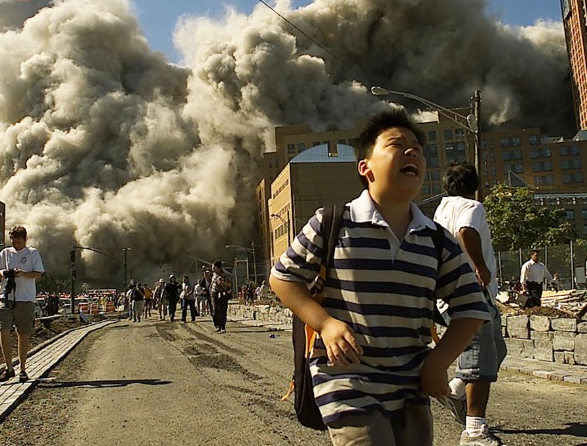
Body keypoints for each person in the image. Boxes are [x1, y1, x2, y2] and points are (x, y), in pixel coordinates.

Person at [271, 109, 489, 446]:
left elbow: (472, 307)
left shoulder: (436, 239)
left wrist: (439, 361)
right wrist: (326, 324)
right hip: (346, 379)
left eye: (417, 147)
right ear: (365, 168)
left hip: (411, 385)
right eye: (396, 145)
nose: (411, 151)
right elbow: (282, 278)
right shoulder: (333, 223)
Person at [433, 161, 508, 446]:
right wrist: (481, 267)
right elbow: (466, 231)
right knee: (479, 358)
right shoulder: (471, 207)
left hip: (462, 294)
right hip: (471, 291)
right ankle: (474, 432)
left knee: (495, 350)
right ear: (474, 185)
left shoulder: (442, 208)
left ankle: (454, 390)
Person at [0, 225, 45, 383]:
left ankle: (22, 369)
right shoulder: (5, 253)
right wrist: (3, 273)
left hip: (25, 299)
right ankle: (8, 368)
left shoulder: (32, 253)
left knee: (23, 334)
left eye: (19, 242)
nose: (16, 245)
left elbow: (39, 273)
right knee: (3, 330)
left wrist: (22, 274)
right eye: (14, 242)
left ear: (25, 240)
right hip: (6, 298)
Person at [210, 261, 233, 333]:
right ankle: (217, 326)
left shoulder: (225, 275)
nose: (212, 269)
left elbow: (230, 285)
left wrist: (223, 283)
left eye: (213, 267)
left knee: (222, 311)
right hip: (214, 294)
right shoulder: (213, 275)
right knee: (214, 310)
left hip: (223, 294)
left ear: (217, 268)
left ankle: (222, 327)